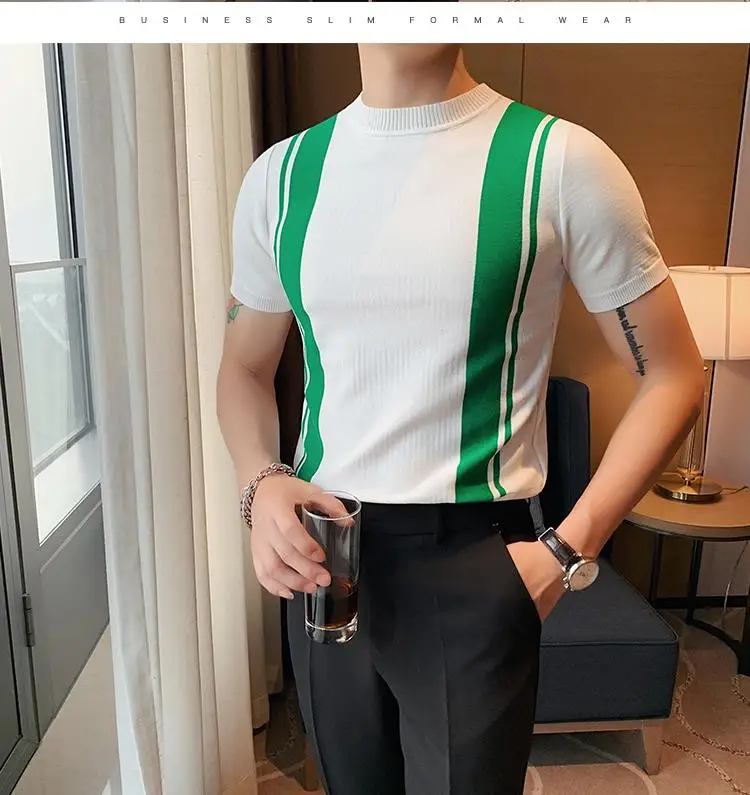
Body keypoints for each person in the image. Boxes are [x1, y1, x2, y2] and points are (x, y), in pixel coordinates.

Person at [217, 44, 703, 795]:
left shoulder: (559, 162)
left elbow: (674, 374)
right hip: (324, 558)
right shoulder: (280, 177)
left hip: (473, 562)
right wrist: (260, 484)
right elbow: (242, 369)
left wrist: (566, 552)